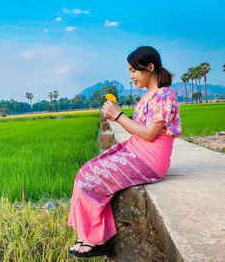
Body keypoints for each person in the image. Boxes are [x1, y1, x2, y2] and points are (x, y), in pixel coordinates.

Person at [68, 46, 182, 259]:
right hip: (136, 150)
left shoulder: (165, 95)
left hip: (149, 159)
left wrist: (118, 115)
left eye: (134, 70)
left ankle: (96, 239)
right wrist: (117, 117)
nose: (131, 76)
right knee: (85, 171)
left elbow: (149, 134)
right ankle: (87, 234)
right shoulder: (148, 96)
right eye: (129, 71)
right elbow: (140, 128)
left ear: (150, 67)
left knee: (90, 178)